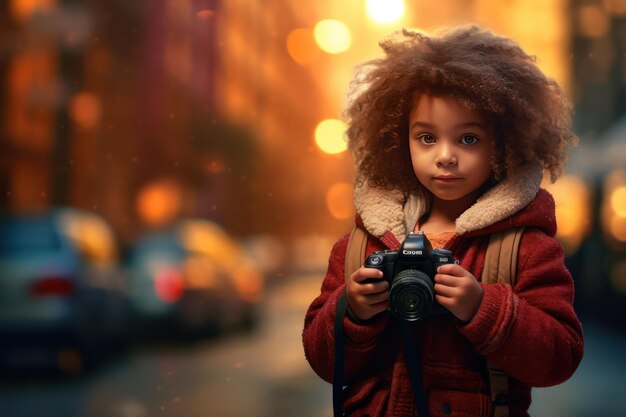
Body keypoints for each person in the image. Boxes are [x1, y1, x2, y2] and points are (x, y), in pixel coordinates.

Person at [302, 25, 584, 417]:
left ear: (505, 143)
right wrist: (352, 311)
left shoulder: (526, 247)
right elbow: (321, 361)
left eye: (468, 139)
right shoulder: (362, 245)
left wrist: (483, 308)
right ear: (400, 141)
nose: (445, 156)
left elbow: (560, 357)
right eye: (427, 138)